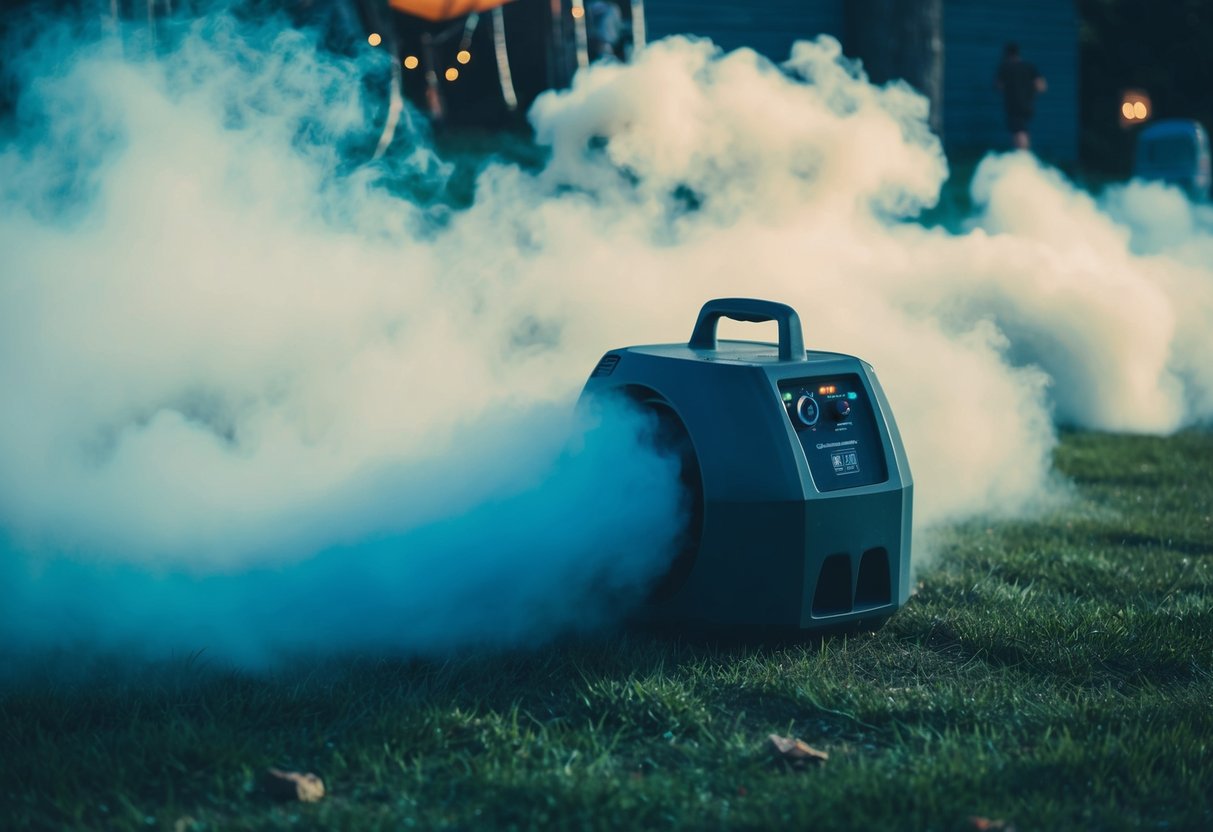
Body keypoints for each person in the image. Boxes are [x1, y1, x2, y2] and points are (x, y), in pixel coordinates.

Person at [995, 42, 1047, 151]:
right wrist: (1030, 93)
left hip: (1013, 105)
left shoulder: (1005, 68)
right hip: (1028, 105)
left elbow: (999, 86)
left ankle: (1024, 156)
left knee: (1019, 131)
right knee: (1020, 130)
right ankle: (1020, 155)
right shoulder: (1029, 67)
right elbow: (1041, 87)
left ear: (1007, 55)